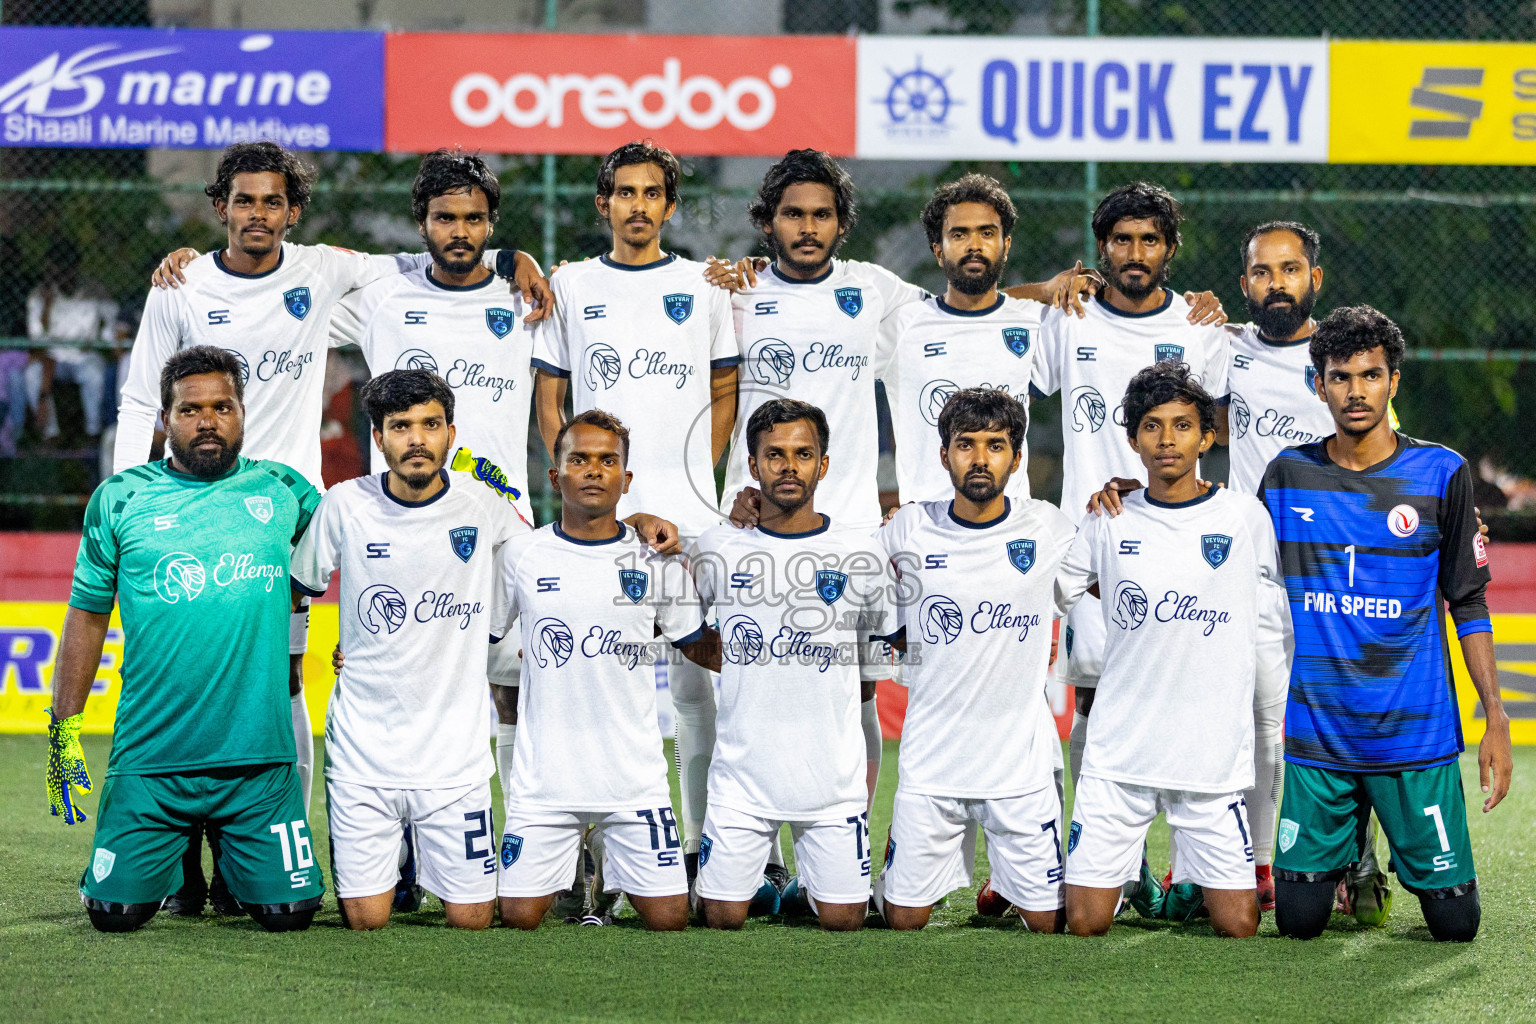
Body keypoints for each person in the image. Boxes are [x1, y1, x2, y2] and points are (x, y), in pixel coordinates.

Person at [119, 141, 549, 916]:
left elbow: (440, 260)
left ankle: (323, 850)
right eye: (244, 200)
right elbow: (141, 400)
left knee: (336, 680)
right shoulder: (212, 284)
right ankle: (220, 849)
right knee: (228, 673)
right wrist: (131, 493)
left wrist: (515, 256)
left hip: (374, 517)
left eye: (273, 201)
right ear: (222, 206)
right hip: (222, 512)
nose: (259, 213)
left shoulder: (345, 274)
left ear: (294, 209)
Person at [45, 345, 323, 933]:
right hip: (151, 759)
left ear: (243, 413)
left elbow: (338, 561)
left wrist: (302, 646)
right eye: (189, 410)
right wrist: (63, 728)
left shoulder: (286, 493)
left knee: (290, 915)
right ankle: (175, 856)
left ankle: (225, 848)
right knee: (115, 918)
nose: (207, 421)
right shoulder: (120, 498)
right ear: (163, 420)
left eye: (223, 406)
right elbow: (87, 617)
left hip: (257, 762)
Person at [1258, 305, 1510, 943]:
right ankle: (1356, 854)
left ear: (1393, 382)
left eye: (1370, 376)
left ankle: (1381, 844)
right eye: (1340, 377)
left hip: (1414, 733)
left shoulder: (1442, 473)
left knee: (1457, 926)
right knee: (1298, 923)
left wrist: (1496, 717)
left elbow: (1469, 601)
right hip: (1321, 731)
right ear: (1319, 385)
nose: (1355, 391)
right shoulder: (1287, 476)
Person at [529, 140, 737, 899]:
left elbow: (725, 390)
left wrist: (693, 481)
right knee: (587, 673)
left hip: (687, 519)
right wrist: (579, 480)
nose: (639, 205)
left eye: (653, 193)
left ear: (670, 206)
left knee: (696, 680)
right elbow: (551, 394)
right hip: (600, 517)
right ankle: (573, 858)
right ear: (603, 204)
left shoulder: (704, 286)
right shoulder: (572, 284)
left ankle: (697, 843)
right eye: (624, 192)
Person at [1029, 184, 1230, 902]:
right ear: (1102, 247)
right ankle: (1111, 863)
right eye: (1121, 240)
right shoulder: (1070, 314)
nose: (1135, 253)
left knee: (1184, 699)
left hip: (1180, 542)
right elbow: (985, 309)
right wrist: (1047, 286)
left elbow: (1220, 429)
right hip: (1094, 542)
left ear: (1170, 249)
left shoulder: (1202, 325)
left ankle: (1195, 869)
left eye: (1149, 240)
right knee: (1093, 699)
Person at [1053, 362, 1290, 939]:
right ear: (1132, 439)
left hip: (1207, 761)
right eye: (1152, 427)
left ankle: (1189, 878)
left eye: (1182, 426)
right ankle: (1139, 878)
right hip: (1120, 756)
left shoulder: (1243, 517)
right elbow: (1055, 585)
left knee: (1239, 925)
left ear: (1207, 437)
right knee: (1084, 922)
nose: (1167, 441)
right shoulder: (1107, 519)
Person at [289, 370, 529, 930]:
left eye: (430, 425)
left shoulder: (485, 505)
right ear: (378, 438)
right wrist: (297, 660)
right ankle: (398, 862)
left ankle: (420, 854)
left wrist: (492, 630)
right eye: (400, 427)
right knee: (365, 922)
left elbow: (536, 560)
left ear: (450, 433)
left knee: (472, 920)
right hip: (363, 755)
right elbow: (298, 588)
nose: (416, 439)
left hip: (456, 758)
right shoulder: (345, 504)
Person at [493, 409, 714, 931]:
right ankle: (583, 865)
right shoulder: (521, 556)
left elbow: (697, 643)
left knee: (669, 920)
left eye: (607, 461)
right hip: (545, 783)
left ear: (626, 479)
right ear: (556, 476)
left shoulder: (656, 560)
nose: (594, 470)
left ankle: (605, 864)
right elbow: (471, 634)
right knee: (519, 917)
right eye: (580, 460)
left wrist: (775, 658)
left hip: (633, 783)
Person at [690, 398, 895, 931]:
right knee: (720, 918)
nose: (788, 466)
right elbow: (686, 629)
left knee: (845, 919)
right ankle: (758, 879)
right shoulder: (719, 546)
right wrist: (741, 660)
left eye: (803, 454)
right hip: (741, 781)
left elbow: (877, 636)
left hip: (830, 782)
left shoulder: (861, 552)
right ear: (753, 466)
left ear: (823, 465)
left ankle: (811, 881)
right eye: (774, 455)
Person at [873, 388, 1073, 931]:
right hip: (931, 764)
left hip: (1017, 769)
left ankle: (1008, 882)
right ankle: (889, 873)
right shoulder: (906, 529)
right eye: (966, 445)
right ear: (944, 456)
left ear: (1016, 457)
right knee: (903, 921)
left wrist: (1126, 495)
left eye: (996, 445)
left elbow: (1117, 570)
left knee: (1054, 924)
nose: (980, 459)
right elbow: (849, 577)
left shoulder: (1049, 528)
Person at [880, 176, 1043, 505]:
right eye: (959, 234)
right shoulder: (901, 325)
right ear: (938, 251)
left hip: (1008, 526)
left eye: (987, 232)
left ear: (1005, 245)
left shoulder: (1037, 322)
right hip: (925, 527)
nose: (975, 245)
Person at [26, 242, 116, 442]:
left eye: (65, 267)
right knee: (32, 375)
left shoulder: (94, 292)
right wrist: (47, 306)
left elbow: (110, 330)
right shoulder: (39, 296)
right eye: (54, 269)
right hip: (53, 359)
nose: (60, 274)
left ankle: (93, 433)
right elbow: (37, 340)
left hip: (85, 356)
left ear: (75, 267)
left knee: (94, 375)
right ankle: (49, 435)